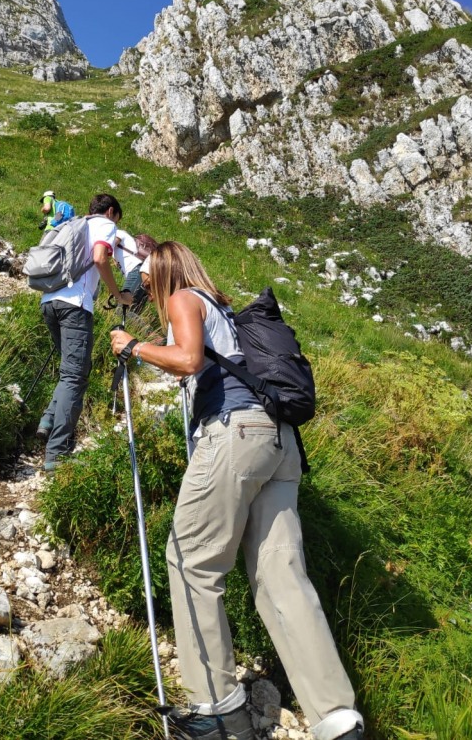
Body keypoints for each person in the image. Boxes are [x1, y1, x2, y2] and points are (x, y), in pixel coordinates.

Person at [110, 242, 363, 740]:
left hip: (235, 434)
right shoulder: (224, 309)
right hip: (280, 443)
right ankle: (336, 717)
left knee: (192, 561)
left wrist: (133, 347)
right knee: (281, 576)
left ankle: (216, 709)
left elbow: (186, 358)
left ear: (163, 274)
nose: (146, 291)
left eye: (146, 281)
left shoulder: (184, 298)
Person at [36, 193, 132, 473]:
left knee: (71, 371)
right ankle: (58, 454)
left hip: (49, 301)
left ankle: (48, 420)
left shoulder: (73, 223)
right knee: (75, 376)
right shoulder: (104, 225)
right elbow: (100, 257)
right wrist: (118, 294)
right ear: (112, 212)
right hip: (74, 305)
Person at [114, 230, 158, 313]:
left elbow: (107, 248)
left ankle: (146, 327)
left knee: (122, 309)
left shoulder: (118, 233)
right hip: (144, 274)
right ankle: (141, 326)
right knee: (132, 313)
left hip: (137, 272)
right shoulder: (122, 246)